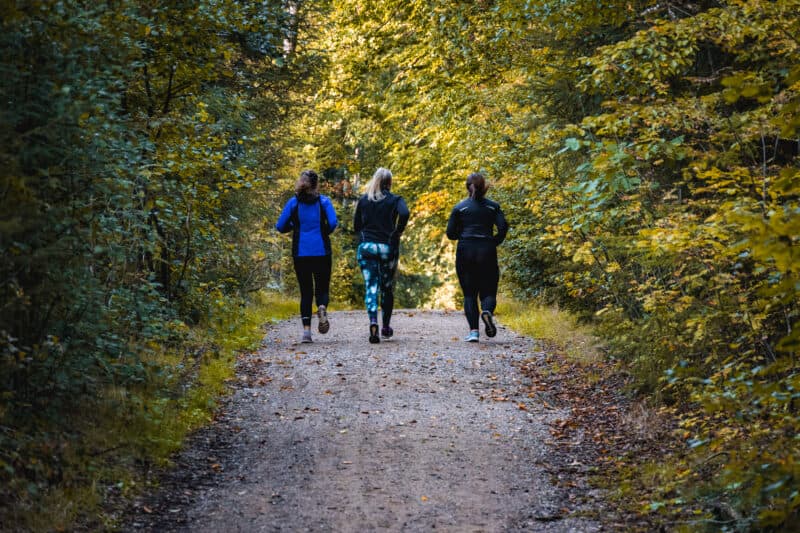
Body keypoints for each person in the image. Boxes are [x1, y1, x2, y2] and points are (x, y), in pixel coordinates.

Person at [276, 170, 338, 343]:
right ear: (316, 184)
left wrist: (294, 225)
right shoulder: (324, 202)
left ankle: (306, 333)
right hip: (322, 251)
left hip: (301, 252)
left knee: (305, 292)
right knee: (322, 287)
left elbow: (280, 226)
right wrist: (325, 231)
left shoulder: (294, 203)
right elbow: (333, 223)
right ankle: (322, 307)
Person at [446, 172, 509, 342]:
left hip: (466, 250)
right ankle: (487, 312)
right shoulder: (493, 207)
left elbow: (450, 234)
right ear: (484, 187)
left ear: (468, 187)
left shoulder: (460, 208)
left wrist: (464, 234)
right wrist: (494, 241)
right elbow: (503, 227)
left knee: (469, 294)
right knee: (488, 291)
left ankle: (474, 332)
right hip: (486, 249)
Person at [354, 167, 410, 344]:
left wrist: (364, 235)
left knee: (371, 286)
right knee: (386, 288)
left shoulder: (364, 200)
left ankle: (373, 322)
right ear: (390, 182)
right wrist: (397, 231)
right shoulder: (395, 200)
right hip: (387, 247)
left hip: (367, 246)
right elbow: (405, 213)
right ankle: (385, 326)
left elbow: (356, 226)